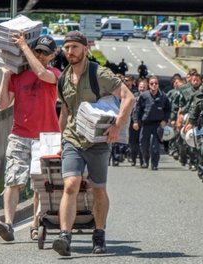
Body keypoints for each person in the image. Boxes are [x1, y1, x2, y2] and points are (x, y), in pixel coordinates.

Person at [53, 31, 135, 256]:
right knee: (71, 184)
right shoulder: (63, 79)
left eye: (75, 47)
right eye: (67, 47)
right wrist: (61, 141)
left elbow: (128, 97)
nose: (70, 51)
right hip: (72, 138)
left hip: (98, 140)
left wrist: (117, 125)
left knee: (98, 189)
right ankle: (64, 237)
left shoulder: (99, 74)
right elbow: (65, 112)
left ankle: (99, 233)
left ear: (85, 49)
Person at [0, 34, 60, 242]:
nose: (40, 56)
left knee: (40, 184)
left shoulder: (55, 73)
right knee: (12, 180)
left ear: (52, 56)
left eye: (45, 53)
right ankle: (8, 224)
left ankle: (36, 222)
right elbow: (3, 104)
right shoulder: (18, 76)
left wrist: (23, 45)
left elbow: (41, 73)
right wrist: (6, 75)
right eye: (37, 51)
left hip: (46, 136)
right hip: (19, 134)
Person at [132, 76, 171, 170]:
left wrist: (165, 120)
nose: (154, 85)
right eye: (152, 83)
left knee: (155, 146)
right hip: (145, 124)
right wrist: (135, 121)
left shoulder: (163, 96)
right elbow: (137, 109)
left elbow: (168, 110)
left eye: (156, 83)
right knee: (143, 144)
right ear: (149, 85)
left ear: (158, 85)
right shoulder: (144, 96)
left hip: (157, 124)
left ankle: (154, 164)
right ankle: (145, 160)